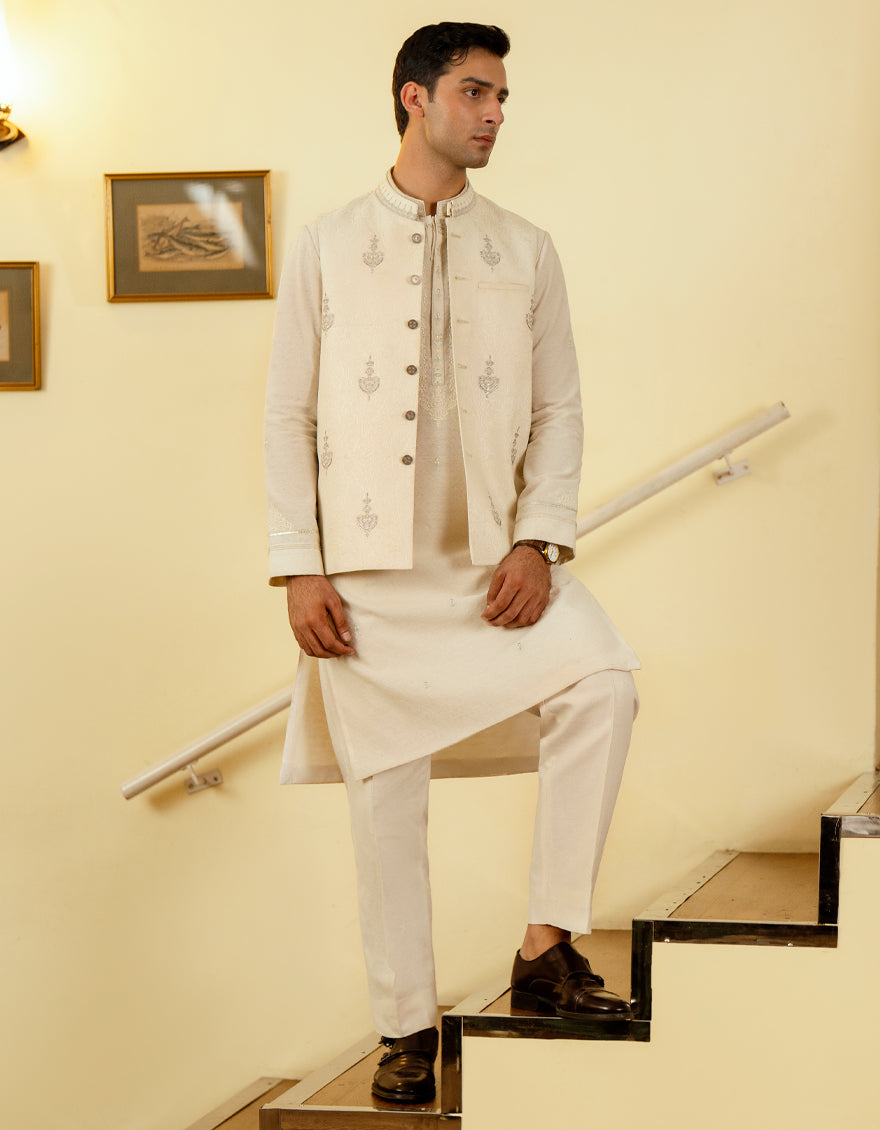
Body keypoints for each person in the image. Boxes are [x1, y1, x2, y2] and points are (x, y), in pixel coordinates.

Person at [264, 21, 640, 1106]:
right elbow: (287, 413)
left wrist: (539, 538)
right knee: (385, 805)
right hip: (365, 580)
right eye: (476, 92)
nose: (494, 113)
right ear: (414, 97)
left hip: (490, 565)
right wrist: (299, 564)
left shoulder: (526, 248)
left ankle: (544, 949)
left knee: (603, 682)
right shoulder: (326, 244)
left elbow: (560, 408)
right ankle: (404, 1028)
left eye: (501, 96)